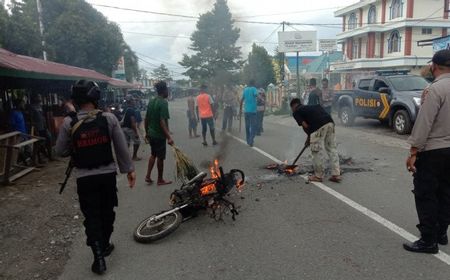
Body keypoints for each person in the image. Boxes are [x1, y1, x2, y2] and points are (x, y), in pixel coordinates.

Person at [55, 80, 136, 275]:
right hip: (107, 175)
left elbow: (60, 151)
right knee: (107, 212)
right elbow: (121, 148)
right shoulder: (108, 118)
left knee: (91, 216)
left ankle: (98, 257)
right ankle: (105, 244)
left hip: (84, 178)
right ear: (95, 97)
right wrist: (129, 170)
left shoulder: (69, 122)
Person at [404, 50, 450, 254]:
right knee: (446, 193)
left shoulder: (435, 90)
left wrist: (414, 150)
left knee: (426, 194)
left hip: (434, 152)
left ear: (435, 66)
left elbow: (424, 123)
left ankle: (428, 240)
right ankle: (441, 233)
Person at [290, 98, 341, 183]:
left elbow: (305, 126)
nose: (292, 110)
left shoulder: (296, 112)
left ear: (294, 106)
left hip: (318, 126)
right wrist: (309, 138)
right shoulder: (312, 107)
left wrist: (310, 137)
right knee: (331, 149)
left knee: (316, 151)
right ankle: (336, 174)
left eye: (291, 108)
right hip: (330, 123)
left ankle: (318, 176)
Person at [145, 81, 174, 185]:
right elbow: (162, 121)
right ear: (164, 90)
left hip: (151, 133)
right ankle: (160, 180)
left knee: (153, 154)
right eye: (167, 90)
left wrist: (147, 132)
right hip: (159, 135)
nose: (168, 92)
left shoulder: (151, 101)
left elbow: (146, 118)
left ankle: (148, 176)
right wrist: (168, 137)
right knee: (160, 157)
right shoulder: (163, 102)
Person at [30, 94, 53, 162]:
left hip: (44, 127)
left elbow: (42, 116)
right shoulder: (32, 107)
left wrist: (45, 124)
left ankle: (50, 156)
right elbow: (31, 119)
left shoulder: (40, 106)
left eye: (40, 96)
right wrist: (35, 128)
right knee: (38, 143)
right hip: (38, 128)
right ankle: (39, 159)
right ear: (35, 98)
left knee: (49, 138)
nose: (40, 98)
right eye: (38, 97)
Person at [121, 96, 141, 161]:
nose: (134, 101)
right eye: (133, 100)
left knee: (127, 143)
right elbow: (133, 123)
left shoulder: (125, 109)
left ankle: (125, 157)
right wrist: (136, 133)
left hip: (123, 128)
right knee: (137, 142)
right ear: (131, 101)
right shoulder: (132, 110)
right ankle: (134, 156)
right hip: (130, 129)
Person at [240, 80, 258, 147]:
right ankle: (251, 140)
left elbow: (242, 99)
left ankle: (248, 140)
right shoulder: (254, 89)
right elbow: (256, 95)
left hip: (246, 111)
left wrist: (240, 107)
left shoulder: (245, 90)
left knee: (247, 126)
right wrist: (262, 100)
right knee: (253, 126)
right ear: (253, 83)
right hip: (252, 111)